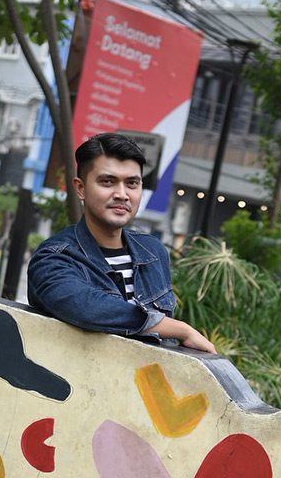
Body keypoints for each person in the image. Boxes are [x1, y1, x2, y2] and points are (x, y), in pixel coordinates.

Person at [28, 132, 215, 352]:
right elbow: (89, 308)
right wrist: (181, 330)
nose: (122, 194)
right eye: (108, 182)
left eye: (132, 183)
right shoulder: (53, 258)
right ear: (80, 188)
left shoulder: (153, 252)